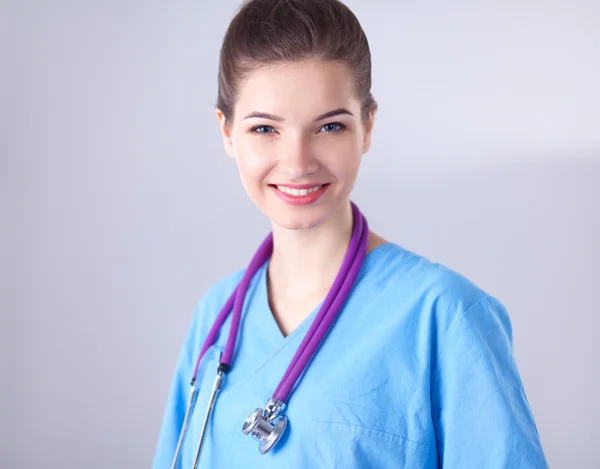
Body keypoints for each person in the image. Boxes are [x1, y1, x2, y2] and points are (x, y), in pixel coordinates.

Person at [152, 0, 549, 467]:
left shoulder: (443, 318)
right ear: (227, 133)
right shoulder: (215, 320)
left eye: (329, 126)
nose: (298, 163)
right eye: (264, 128)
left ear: (367, 127)